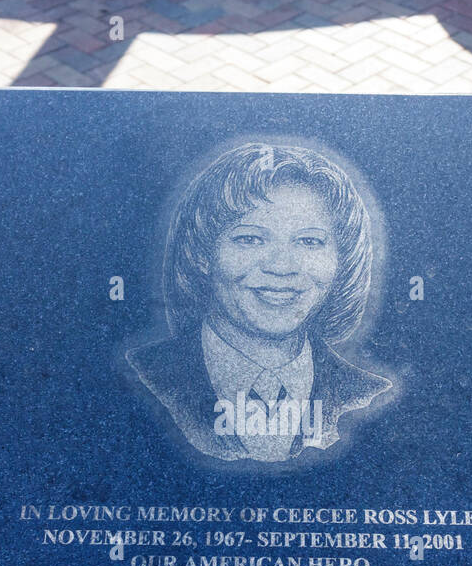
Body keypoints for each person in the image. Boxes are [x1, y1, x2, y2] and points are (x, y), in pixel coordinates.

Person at [128, 142, 390, 462]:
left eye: (309, 241)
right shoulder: (141, 378)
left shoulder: (368, 397)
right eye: (250, 238)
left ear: (342, 261)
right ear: (203, 254)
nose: (281, 267)